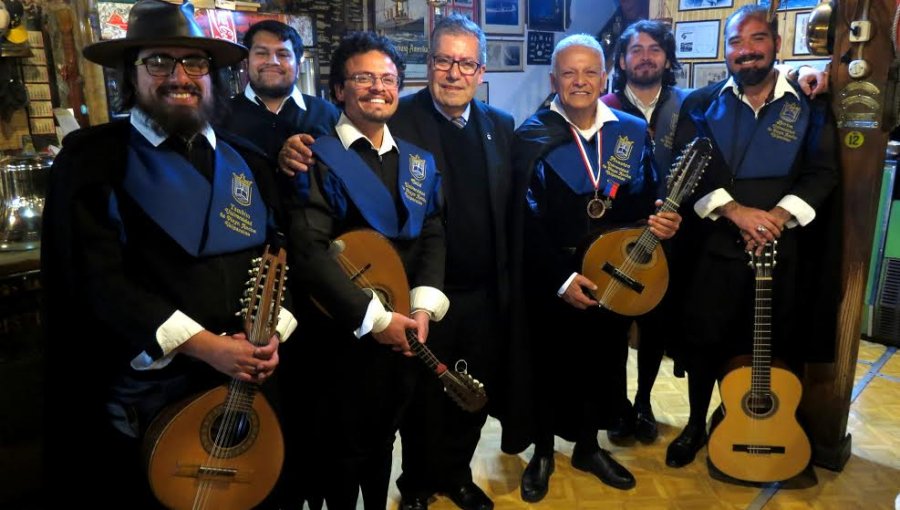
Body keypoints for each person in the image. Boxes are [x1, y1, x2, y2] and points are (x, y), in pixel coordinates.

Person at [40, 0, 297, 507]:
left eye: (195, 63)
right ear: (130, 75)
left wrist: (271, 335)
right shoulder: (94, 160)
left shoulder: (248, 158)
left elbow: (283, 255)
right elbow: (97, 280)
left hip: (247, 387)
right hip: (150, 394)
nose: (180, 76)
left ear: (212, 75)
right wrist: (207, 346)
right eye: (159, 61)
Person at [279, 14, 527, 510]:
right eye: (443, 60)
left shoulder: (499, 126)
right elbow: (323, 133)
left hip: (471, 295)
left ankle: (456, 475)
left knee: (463, 396)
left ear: (481, 73)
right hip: (390, 301)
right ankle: (415, 484)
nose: (454, 73)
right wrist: (290, 147)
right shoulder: (393, 116)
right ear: (429, 65)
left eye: (466, 63)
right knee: (411, 408)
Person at [665, 4, 838, 469]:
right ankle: (696, 423)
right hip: (714, 249)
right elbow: (689, 173)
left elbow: (823, 172)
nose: (746, 52)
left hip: (783, 249)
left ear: (776, 44)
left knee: (774, 344)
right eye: (736, 43)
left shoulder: (809, 104)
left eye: (756, 40)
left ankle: (753, 421)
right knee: (705, 343)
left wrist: (777, 217)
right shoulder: (699, 104)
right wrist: (739, 213)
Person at [281, 31, 448, 509]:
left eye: (389, 78)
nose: (379, 87)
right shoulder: (315, 158)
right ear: (338, 90)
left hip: (404, 334)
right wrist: (375, 320)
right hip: (341, 336)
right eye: (364, 78)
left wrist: (423, 308)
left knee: (383, 444)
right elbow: (309, 250)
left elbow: (433, 233)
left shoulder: (418, 162)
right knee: (340, 455)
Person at [513, 33, 681, 502]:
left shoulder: (629, 131)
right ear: (554, 80)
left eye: (590, 72)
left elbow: (650, 196)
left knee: (602, 366)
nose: (581, 81)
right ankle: (543, 453)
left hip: (613, 275)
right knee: (548, 368)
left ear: (605, 76)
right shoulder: (531, 136)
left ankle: (588, 447)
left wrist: (663, 220)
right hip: (554, 279)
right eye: (569, 72)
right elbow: (524, 222)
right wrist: (560, 279)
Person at [220, 19, 338, 161]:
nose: (272, 61)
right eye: (261, 53)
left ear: (298, 66)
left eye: (283, 54)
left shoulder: (327, 114)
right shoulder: (221, 115)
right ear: (246, 63)